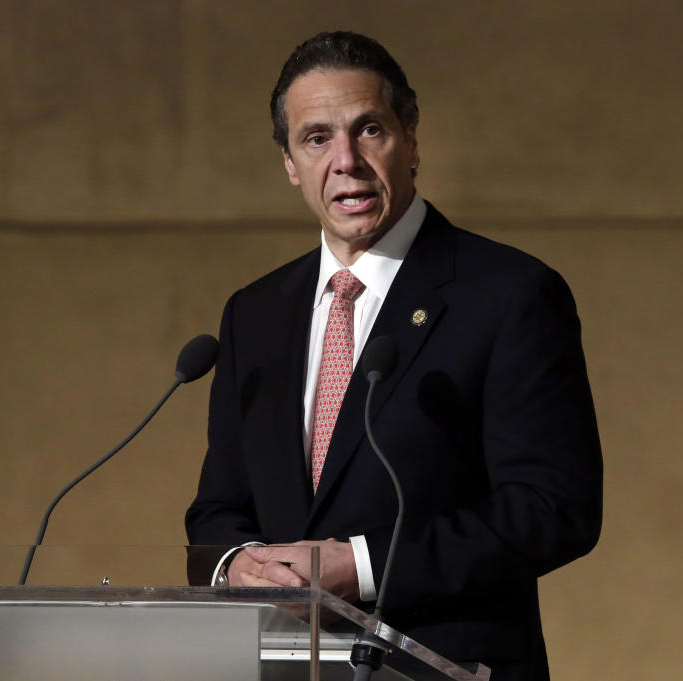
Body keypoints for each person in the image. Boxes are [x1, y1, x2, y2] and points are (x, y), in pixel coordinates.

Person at [185, 31, 602, 681]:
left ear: (411, 140)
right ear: (291, 163)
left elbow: (553, 507)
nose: (345, 160)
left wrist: (367, 564)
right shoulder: (255, 313)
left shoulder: (508, 294)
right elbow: (218, 507)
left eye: (369, 129)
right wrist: (234, 562)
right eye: (316, 138)